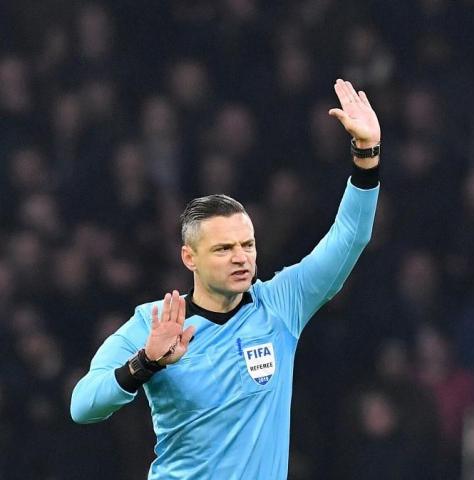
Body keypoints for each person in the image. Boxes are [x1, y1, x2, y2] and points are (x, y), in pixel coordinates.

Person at [70, 79, 381, 479]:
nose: (241, 258)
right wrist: (146, 363)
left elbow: (350, 237)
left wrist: (366, 155)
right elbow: (82, 406)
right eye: (223, 249)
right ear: (189, 257)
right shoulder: (157, 324)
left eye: (247, 245)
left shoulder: (282, 304)